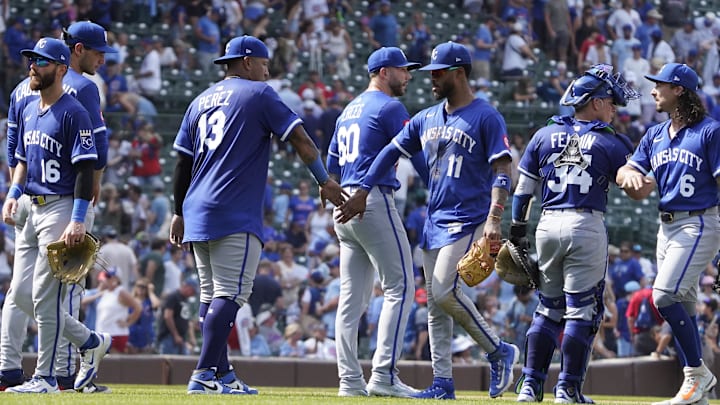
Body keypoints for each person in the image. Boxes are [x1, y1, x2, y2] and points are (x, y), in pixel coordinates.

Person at [335, 41, 519, 400]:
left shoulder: (486, 115)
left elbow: (501, 166)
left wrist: (495, 218)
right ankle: (442, 382)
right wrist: (362, 189)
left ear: (459, 72)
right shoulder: (426, 116)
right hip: (435, 218)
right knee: (436, 306)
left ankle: (499, 350)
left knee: (442, 291)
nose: (430, 79)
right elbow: (390, 150)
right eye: (428, 73)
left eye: (438, 73)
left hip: (468, 216)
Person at [169, 35, 346, 395]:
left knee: (211, 295)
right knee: (232, 295)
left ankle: (222, 373)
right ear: (247, 62)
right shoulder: (259, 94)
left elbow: (182, 162)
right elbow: (302, 141)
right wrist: (324, 180)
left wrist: (177, 212)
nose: (268, 71)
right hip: (233, 209)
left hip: (195, 209)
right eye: (265, 64)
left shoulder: (200, 100)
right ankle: (204, 373)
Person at [512, 64, 640, 403]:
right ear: (595, 103)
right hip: (585, 224)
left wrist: (517, 234)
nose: (614, 108)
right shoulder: (610, 141)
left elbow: (523, 191)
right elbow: (632, 182)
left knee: (548, 309)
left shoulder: (542, 134)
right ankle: (567, 388)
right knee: (582, 311)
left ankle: (529, 384)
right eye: (611, 102)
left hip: (547, 225)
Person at [1, 21, 116, 393]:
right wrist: (13, 193)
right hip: (31, 207)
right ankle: (89, 342)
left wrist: (79, 219)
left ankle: (48, 377)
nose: (33, 66)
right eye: (32, 60)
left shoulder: (74, 108)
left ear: (62, 66)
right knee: (21, 294)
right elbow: (19, 157)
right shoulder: (31, 104)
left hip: (62, 207)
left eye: (41, 61)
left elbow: (87, 167)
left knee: (44, 295)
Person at [617, 62, 720, 405]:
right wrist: (627, 176)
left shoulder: (709, 131)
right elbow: (636, 178)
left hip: (698, 221)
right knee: (685, 306)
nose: (652, 91)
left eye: (659, 84)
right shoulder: (655, 134)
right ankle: (698, 394)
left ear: (679, 90)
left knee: (663, 296)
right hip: (667, 226)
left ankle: (697, 372)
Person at [326, 46, 425, 398]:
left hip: (344, 205)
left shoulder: (348, 110)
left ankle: (349, 381)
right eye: (402, 70)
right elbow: (411, 149)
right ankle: (384, 373)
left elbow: (331, 161)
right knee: (400, 287)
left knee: (351, 300)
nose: (408, 76)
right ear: (384, 71)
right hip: (371, 199)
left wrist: (334, 194)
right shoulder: (389, 106)